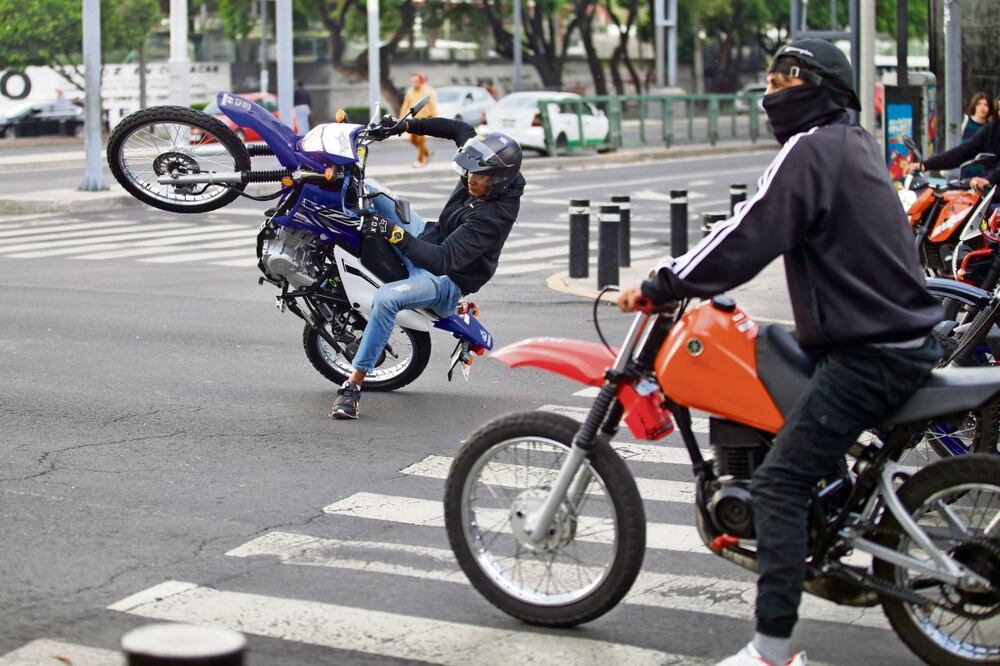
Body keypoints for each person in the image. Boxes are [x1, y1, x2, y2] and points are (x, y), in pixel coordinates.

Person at [618, 38, 943, 666]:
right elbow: (753, 220)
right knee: (771, 366)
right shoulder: (851, 143)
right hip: (881, 335)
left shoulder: (812, 148)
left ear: (824, 88)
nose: (772, 90)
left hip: (870, 351)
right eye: (768, 77)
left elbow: (750, 233)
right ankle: (836, 510)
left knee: (779, 485)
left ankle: (771, 651)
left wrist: (663, 283)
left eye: (786, 77)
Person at [330, 119, 524, 420]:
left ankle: (353, 386)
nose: (471, 178)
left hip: (444, 278)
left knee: (386, 299)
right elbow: (459, 130)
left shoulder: (492, 219)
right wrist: (403, 125)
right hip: (429, 235)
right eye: (469, 170)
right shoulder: (484, 166)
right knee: (371, 190)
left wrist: (390, 231)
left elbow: (441, 260)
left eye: (480, 176)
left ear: (498, 180)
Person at [909, 111, 1000, 194]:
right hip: (989, 194)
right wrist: (925, 165)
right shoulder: (993, 129)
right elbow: (963, 151)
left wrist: (990, 180)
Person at [400, 73, 438, 167]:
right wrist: (401, 119)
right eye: (412, 81)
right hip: (413, 120)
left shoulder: (427, 91)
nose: (414, 83)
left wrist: (436, 119)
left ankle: (420, 160)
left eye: (416, 81)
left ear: (420, 81)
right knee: (413, 140)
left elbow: (433, 105)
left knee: (420, 140)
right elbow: (405, 105)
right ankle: (427, 152)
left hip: (424, 119)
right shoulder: (410, 92)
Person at [958, 92, 995, 177]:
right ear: (974, 106)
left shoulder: (990, 127)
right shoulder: (964, 122)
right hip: (966, 170)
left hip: (984, 174)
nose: (982, 107)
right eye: (979, 104)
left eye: (985, 105)